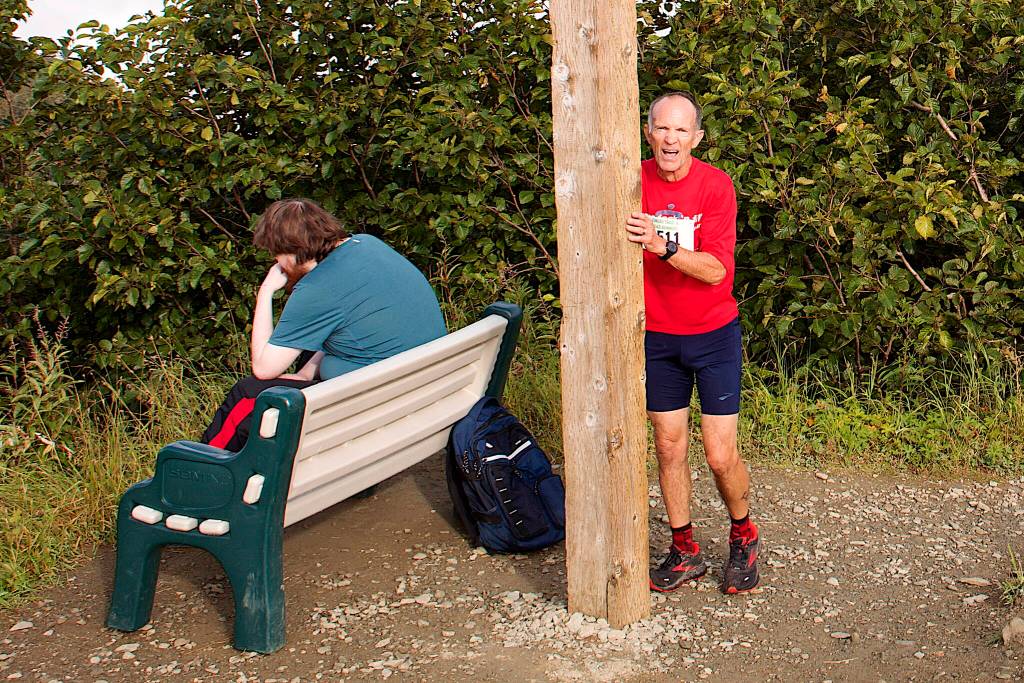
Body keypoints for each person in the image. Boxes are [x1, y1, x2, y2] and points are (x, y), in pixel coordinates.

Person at [624, 92, 761, 594]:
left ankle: (743, 534)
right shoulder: (632, 179)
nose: (671, 139)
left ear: (697, 138)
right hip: (658, 337)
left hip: (712, 335)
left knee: (720, 454)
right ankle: (685, 549)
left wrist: (663, 246)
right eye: (662, 128)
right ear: (648, 133)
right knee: (668, 445)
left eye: (681, 131)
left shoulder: (715, 186)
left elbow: (718, 272)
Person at [202, 198, 447, 451]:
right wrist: (306, 373)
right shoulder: (368, 245)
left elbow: (264, 369)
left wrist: (265, 292)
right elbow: (348, 321)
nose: (275, 261)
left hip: (376, 404)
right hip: (417, 386)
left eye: (275, 252)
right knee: (304, 351)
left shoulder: (316, 288)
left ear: (292, 250)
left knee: (248, 393)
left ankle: (202, 469)